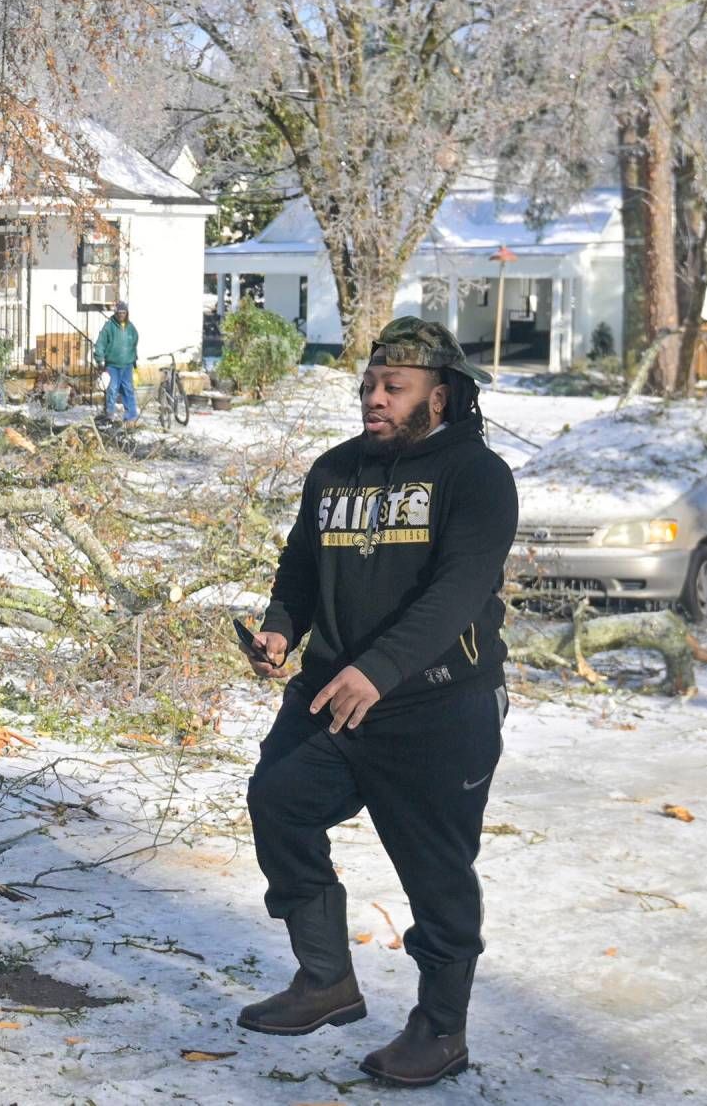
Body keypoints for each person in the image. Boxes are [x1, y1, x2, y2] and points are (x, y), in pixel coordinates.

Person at [236, 316, 518, 1089]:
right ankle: (325, 979)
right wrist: (281, 628)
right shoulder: (334, 472)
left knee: (436, 869)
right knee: (280, 802)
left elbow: (457, 592)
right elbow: (301, 565)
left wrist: (382, 669)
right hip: (335, 693)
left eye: (395, 387)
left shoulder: (477, 477)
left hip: (439, 706)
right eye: (369, 386)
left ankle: (440, 1029)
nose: (375, 399)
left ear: (441, 396)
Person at [92, 301, 139, 424]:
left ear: (127, 313)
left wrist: (133, 358)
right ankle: (110, 416)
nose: (121, 315)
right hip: (112, 365)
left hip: (127, 365)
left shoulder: (130, 327)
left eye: (124, 313)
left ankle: (131, 418)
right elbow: (100, 343)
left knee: (128, 390)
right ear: (115, 313)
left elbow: (134, 342)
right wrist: (100, 359)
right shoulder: (109, 326)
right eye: (119, 313)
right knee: (112, 390)